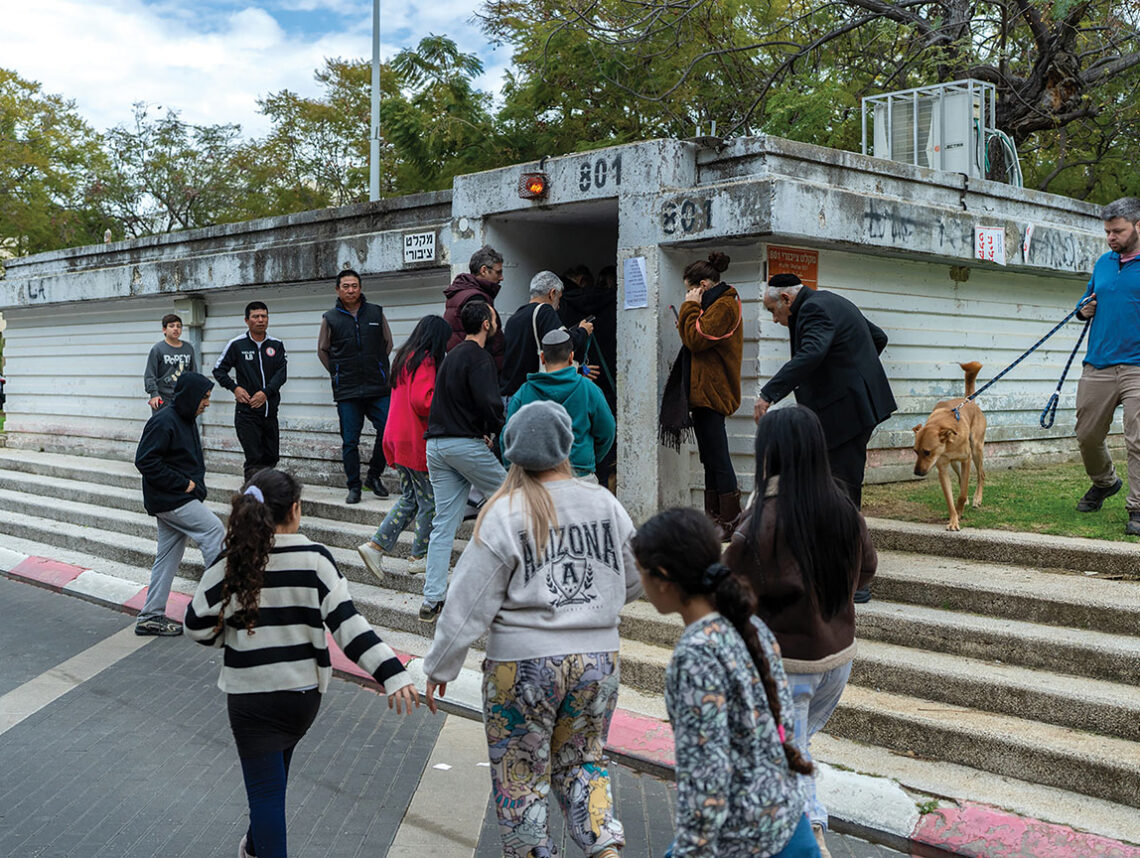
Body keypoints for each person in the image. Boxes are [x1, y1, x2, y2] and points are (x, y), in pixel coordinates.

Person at [422, 400, 641, 858]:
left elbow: (467, 603)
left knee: (520, 776)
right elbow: (635, 576)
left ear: (512, 452)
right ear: (567, 445)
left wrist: (442, 665)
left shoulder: (503, 513)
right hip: (598, 661)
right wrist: (598, 606)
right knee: (584, 763)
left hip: (522, 667)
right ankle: (606, 850)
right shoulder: (603, 502)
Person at [183, 468, 421, 858]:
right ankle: (255, 847)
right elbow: (349, 626)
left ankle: (262, 847)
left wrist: (232, 636)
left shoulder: (235, 560)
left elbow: (195, 625)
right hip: (300, 698)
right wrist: (392, 673)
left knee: (266, 795)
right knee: (272, 786)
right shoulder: (315, 559)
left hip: (251, 698)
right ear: (295, 509)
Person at [723, 406, 876, 858]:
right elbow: (866, 572)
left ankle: (813, 837)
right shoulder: (845, 507)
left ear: (769, 454)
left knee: (790, 760)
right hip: (838, 659)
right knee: (796, 747)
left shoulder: (759, 525)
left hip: (788, 666)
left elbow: (726, 594)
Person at [632, 506, 818, 858]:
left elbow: (706, 779)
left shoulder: (696, 655)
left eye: (641, 571)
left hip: (747, 842)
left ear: (663, 577)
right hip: (790, 825)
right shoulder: (751, 626)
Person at [756, 274, 896, 510]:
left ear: (786, 298)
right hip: (855, 404)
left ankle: (847, 539)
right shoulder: (831, 300)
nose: (774, 319)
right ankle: (838, 535)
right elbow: (878, 337)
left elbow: (811, 353)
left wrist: (768, 394)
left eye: (772, 311)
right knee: (836, 477)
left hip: (846, 409)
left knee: (841, 481)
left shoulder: (813, 310)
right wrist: (854, 372)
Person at [421, 300, 507, 623]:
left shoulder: (452, 356)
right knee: (513, 496)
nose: (496, 322)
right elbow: (489, 403)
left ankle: (432, 599)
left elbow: (456, 402)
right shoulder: (480, 357)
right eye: (494, 318)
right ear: (486, 323)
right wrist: (497, 429)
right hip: (462, 445)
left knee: (443, 524)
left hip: (436, 446)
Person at [357, 315, 450, 579]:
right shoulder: (426, 360)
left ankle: (376, 546)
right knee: (429, 501)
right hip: (414, 439)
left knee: (411, 498)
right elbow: (423, 402)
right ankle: (418, 556)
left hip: (396, 437)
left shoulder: (404, 358)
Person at [133, 371, 224, 636]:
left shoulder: (185, 418)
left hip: (173, 498)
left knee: (168, 556)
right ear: (191, 396)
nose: (207, 403)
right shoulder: (164, 421)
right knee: (214, 531)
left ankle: (150, 616)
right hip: (171, 498)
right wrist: (184, 484)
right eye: (204, 398)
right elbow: (145, 461)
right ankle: (218, 608)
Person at [660, 252, 745, 536]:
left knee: (718, 455)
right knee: (709, 456)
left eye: (689, 290)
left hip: (714, 392)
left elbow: (697, 339)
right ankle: (714, 519)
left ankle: (731, 519)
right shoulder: (713, 306)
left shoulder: (725, 305)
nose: (687, 295)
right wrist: (690, 317)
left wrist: (689, 308)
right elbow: (696, 335)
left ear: (703, 286)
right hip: (703, 392)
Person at [1072, 197, 1140, 535]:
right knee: (1087, 434)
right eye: (1107, 231)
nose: (1110, 237)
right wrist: (1082, 309)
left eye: (1117, 231)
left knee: (1137, 438)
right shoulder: (1103, 263)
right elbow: (1086, 300)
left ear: (1138, 226)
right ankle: (1104, 482)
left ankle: (1138, 508)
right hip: (1097, 363)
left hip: (1137, 367)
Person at [317, 268, 393, 504]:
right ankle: (354, 486)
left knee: (388, 431)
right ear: (338, 289)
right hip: (347, 390)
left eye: (355, 286)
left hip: (377, 387)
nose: (351, 290)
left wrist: (377, 367)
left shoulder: (376, 312)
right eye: (346, 286)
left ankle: (374, 476)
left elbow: (387, 343)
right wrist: (339, 372)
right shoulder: (330, 318)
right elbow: (323, 350)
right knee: (350, 441)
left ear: (360, 288)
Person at [505, 329, 614, 480]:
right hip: (580, 474)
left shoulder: (524, 392)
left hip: (537, 478)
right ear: (571, 357)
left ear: (542, 357)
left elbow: (507, 436)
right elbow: (607, 431)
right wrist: (589, 457)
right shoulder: (588, 389)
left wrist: (514, 469)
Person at [212, 301, 288, 480]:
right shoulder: (237, 344)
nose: (260, 320)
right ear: (247, 320)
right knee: (254, 458)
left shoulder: (276, 345)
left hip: (270, 412)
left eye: (264, 316)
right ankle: (251, 499)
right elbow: (218, 370)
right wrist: (235, 388)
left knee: (271, 457)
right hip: (247, 413)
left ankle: (266, 494)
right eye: (256, 317)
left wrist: (266, 392)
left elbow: (281, 374)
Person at [561, 264, 619, 487]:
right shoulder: (613, 305)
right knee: (605, 433)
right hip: (608, 381)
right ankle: (603, 485)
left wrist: (577, 369)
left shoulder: (565, 307)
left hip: (579, 377)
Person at [500, 270, 593, 399]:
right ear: (552, 293)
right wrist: (583, 331)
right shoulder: (544, 311)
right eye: (559, 298)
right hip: (531, 396)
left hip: (511, 396)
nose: (559, 306)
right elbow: (565, 344)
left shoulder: (514, 318)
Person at [443, 244, 506, 370]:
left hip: (462, 365)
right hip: (477, 368)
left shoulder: (460, 292)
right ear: (483, 270)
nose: (501, 278)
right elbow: (483, 337)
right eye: (498, 272)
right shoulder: (476, 297)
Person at [144, 313, 197, 411]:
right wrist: (154, 394)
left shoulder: (188, 348)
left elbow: (193, 373)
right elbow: (150, 375)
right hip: (163, 398)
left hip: (183, 397)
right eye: (171, 326)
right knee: (164, 425)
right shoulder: (158, 349)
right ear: (164, 329)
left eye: (179, 326)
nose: (176, 329)